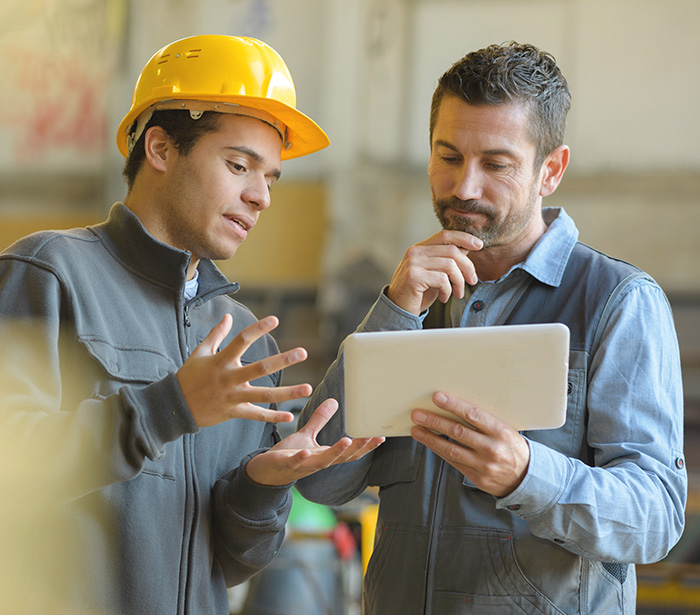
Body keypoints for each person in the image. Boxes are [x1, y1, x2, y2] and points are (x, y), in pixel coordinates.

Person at [296, 41, 687, 614]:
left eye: (496, 164)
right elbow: (320, 480)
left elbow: (654, 517)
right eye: (448, 156)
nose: (465, 188)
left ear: (550, 170)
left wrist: (527, 475)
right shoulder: (411, 299)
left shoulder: (617, 301)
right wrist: (396, 311)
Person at [0, 35, 383, 615]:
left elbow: (233, 564)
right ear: (159, 147)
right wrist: (169, 407)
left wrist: (263, 485)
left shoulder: (241, 335)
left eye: (272, 179)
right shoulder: (48, 275)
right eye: (238, 166)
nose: (260, 198)